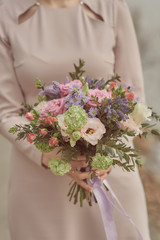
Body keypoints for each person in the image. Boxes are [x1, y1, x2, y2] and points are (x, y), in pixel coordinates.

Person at [0, 0, 151, 239]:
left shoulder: (112, 6)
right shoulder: (5, 13)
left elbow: (132, 96)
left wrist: (106, 153)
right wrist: (50, 154)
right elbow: (5, 110)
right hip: (39, 181)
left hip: (109, 171)